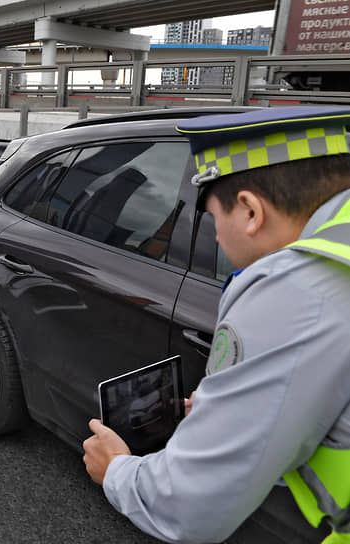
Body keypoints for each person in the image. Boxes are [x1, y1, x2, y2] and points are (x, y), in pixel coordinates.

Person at [82, 107, 350, 544]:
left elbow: (188, 506)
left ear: (248, 210)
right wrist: (236, 419)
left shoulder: (298, 289)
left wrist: (115, 470)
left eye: (211, 218)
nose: (217, 238)